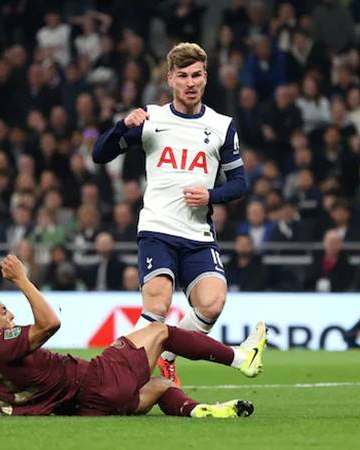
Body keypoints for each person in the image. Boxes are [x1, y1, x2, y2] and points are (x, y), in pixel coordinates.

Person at [92, 42, 247, 386]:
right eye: (182, 76)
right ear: (170, 80)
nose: (190, 83)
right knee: (158, 306)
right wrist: (121, 126)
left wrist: (211, 194)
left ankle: (166, 354)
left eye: (196, 75)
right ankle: (113, 377)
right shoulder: (152, 119)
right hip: (157, 229)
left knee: (212, 303)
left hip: (197, 234)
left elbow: (239, 184)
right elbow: (99, 155)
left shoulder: (222, 126)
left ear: (206, 78)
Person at [0, 255, 267, 418]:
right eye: (3, 312)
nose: (10, 316)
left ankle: (200, 411)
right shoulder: (1, 346)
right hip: (95, 380)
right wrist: (22, 279)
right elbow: (49, 323)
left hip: (87, 405)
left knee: (160, 386)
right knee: (161, 331)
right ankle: (243, 358)